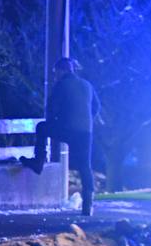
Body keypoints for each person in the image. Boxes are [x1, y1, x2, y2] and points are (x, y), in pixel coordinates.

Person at [19, 57, 100, 216]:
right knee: (85, 166)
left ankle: (38, 161)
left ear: (62, 70)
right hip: (85, 132)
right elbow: (96, 107)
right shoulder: (87, 85)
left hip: (66, 128)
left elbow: (52, 109)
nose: (55, 75)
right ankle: (88, 205)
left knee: (41, 128)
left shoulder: (61, 85)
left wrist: (55, 121)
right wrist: (86, 120)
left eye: (56, 72)